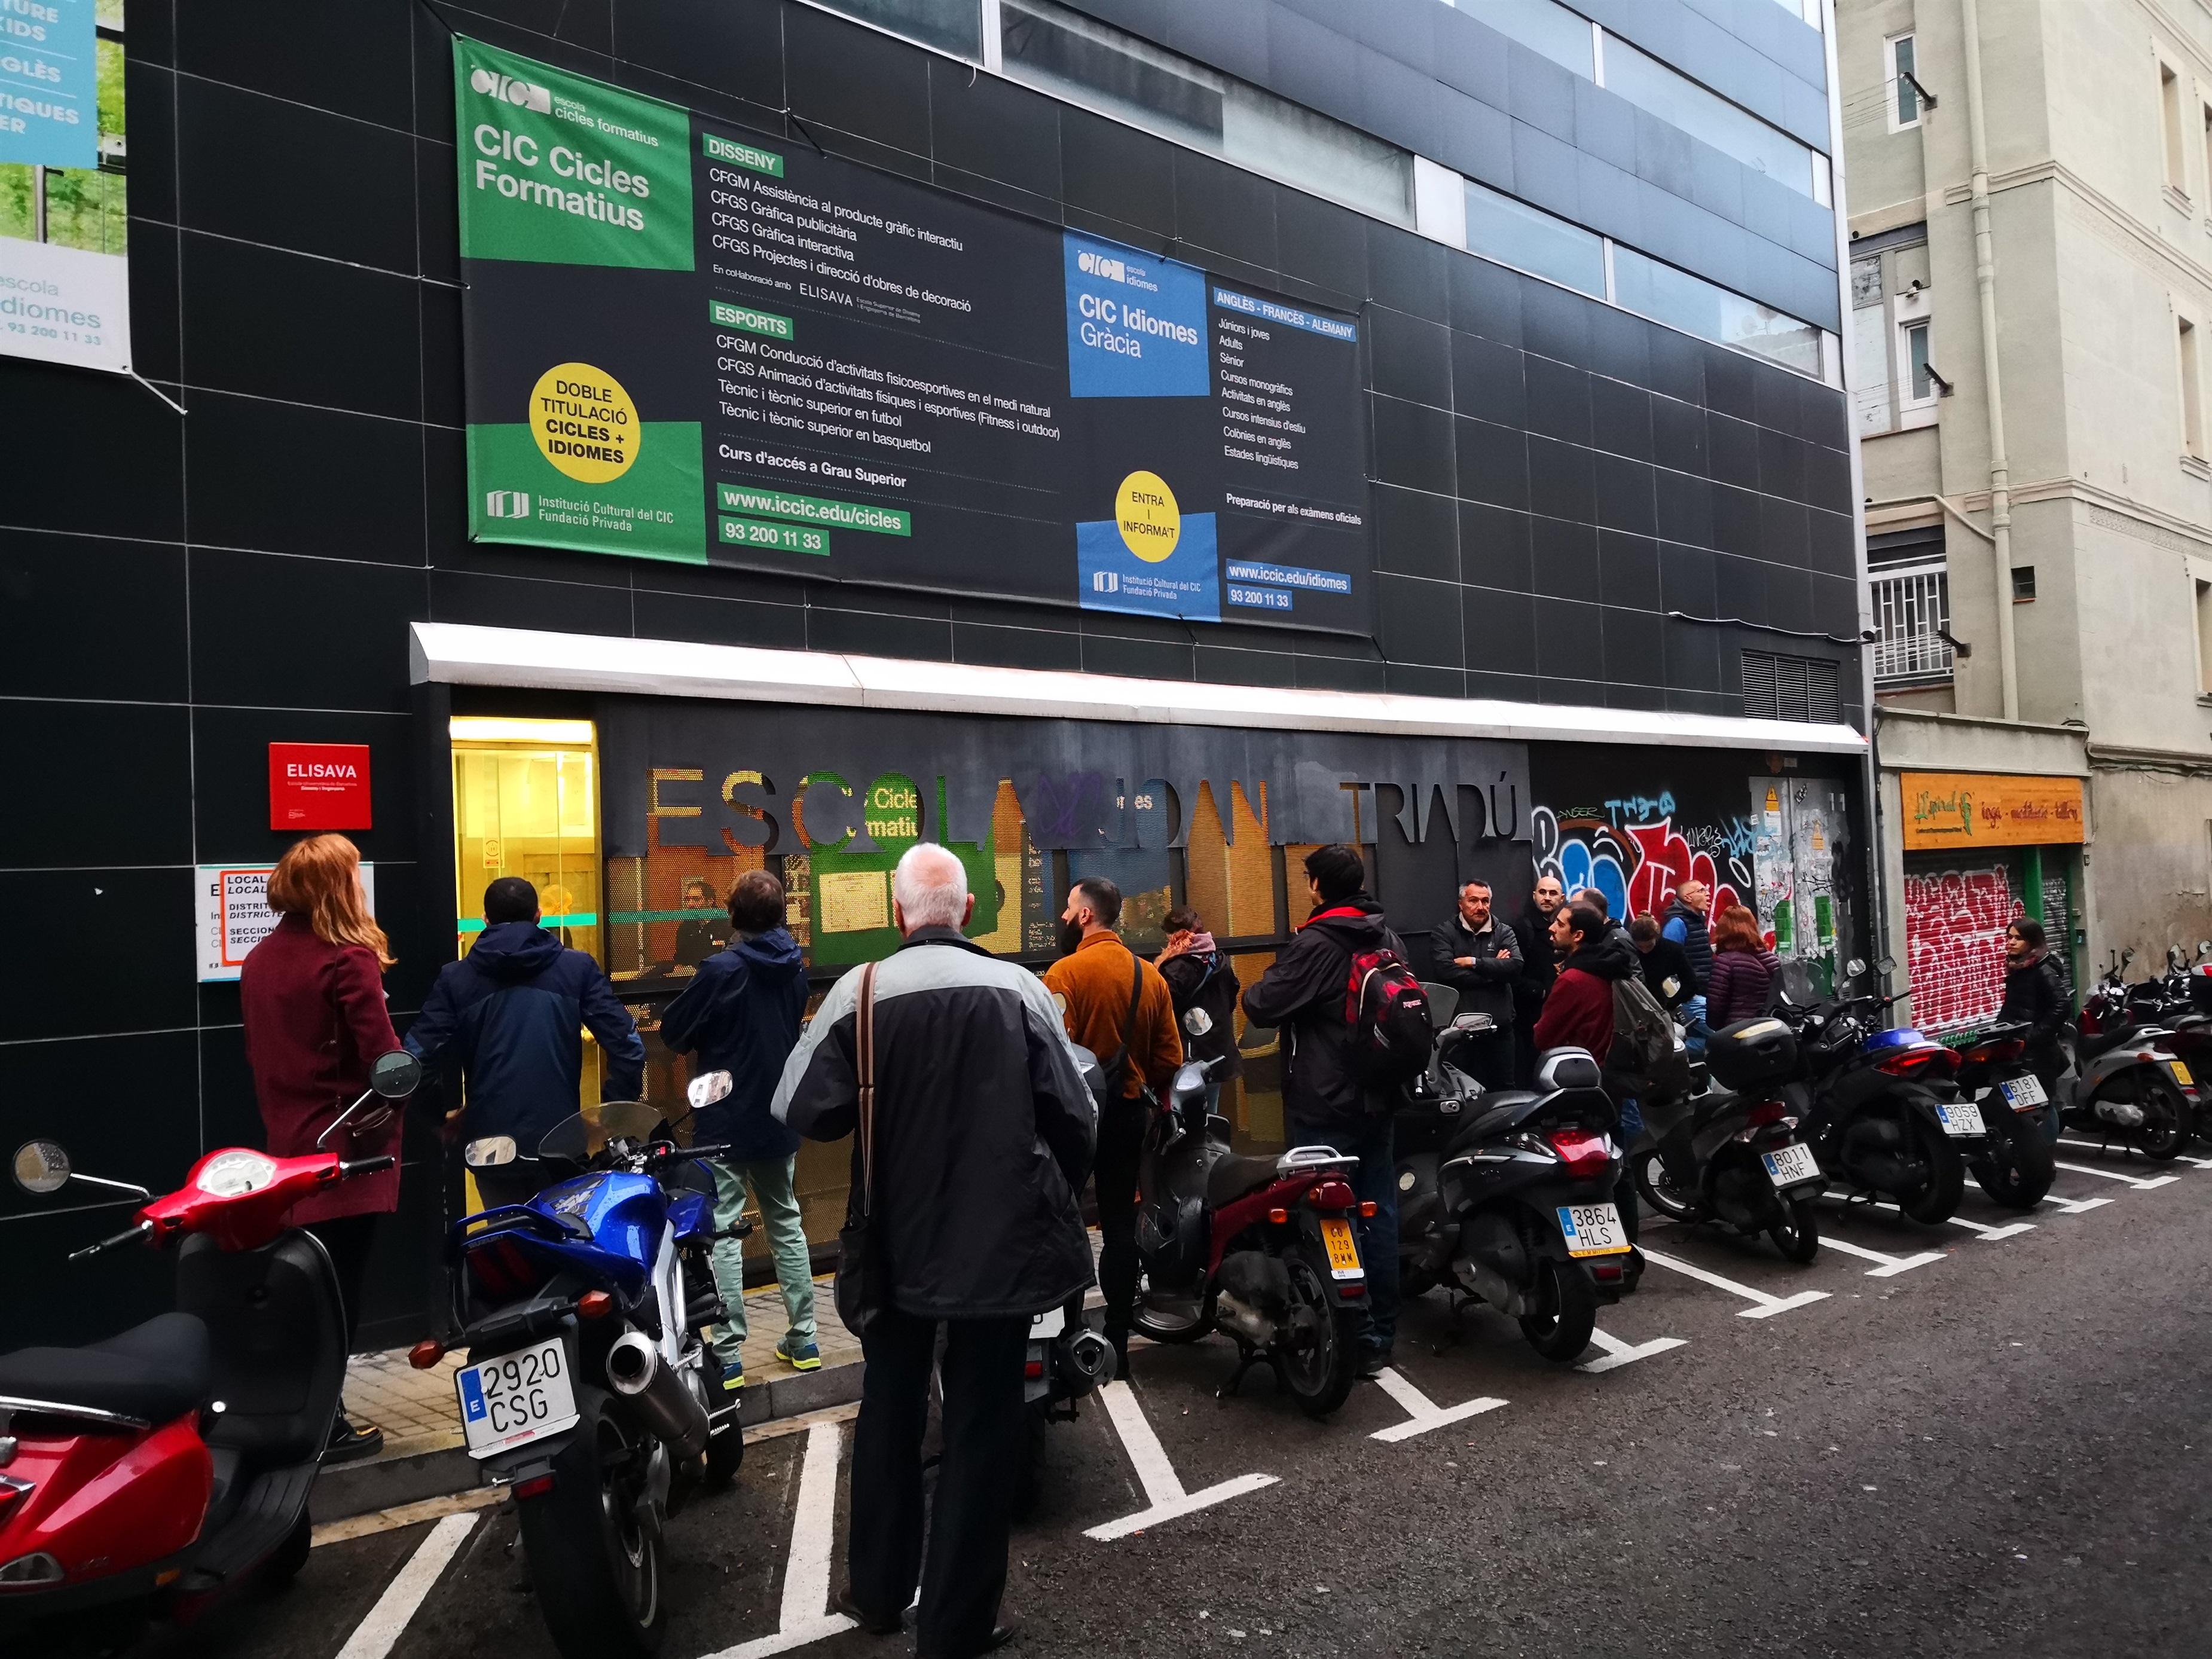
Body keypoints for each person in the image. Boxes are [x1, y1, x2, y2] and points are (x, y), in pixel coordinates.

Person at [774, 844, 1093, 1659]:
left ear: (897, 913)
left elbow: (799, 1107)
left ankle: (878, 1591)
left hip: (893, 1246)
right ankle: (955, 1625)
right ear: (968, 913)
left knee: (891, 1408)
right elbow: (1077, 1114)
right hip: (1001, 1250)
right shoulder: (1021, 988)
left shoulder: (861, 991)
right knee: (984, 1428)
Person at [239, 833, 404, 1463]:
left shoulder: (260, 958)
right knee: (338, 1296)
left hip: (284, 1149)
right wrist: (393, 1109)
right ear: (339, 887)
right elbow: (383, 1058)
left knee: (302, 1291)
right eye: (354, 875)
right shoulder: (346, 958)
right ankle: (326, 1421)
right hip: (344, 1151)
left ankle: (300, 1412)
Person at [1242, 845, 1408, 1373]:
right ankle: (1381, 1331)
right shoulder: (1387, 933)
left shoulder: (1317, 941)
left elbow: (1262, 1003)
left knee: (1327, 1218)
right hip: (1379, 1096)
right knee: (1377, 1211)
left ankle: (1350, 1332)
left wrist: (1286, 961)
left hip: (1324, 1101)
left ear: (1317, 886)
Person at [658, 869, 816, 1394]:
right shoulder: (795, 968)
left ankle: (728, 1355)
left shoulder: (721, 970)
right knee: (786, 1222)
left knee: (725, 1230)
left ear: (733, 914)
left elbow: (675, 1030)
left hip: (724, 1118)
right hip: (778, 1114)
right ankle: (807, 1337)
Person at [404, 875, 646, 1206]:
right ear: (538, 916)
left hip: (489, 1146)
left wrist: (439, 1120)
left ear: (485, 920)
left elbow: (415, 1057)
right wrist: (610, 1117)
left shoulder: (457, 978)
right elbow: (629, 1047)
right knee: (563, 1243)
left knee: (505, 1245)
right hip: (561, 1144)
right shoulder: (576, 969)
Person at [1042, 877, 1181, 1377]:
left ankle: (1071, 1336)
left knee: (1067, 1222)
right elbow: (1171, 1057)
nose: (1062, 917)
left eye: (1067, 907)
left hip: (1076, 1117)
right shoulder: (1151, 977)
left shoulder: (1065, 974)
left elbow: (1050, 1055)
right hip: (1129, 1117)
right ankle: (1118, 1340)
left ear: (1085, 916)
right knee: (1120, 1226)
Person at [1533, 901, 1646, 1282]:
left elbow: (1543, 1036)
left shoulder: (1573, 980)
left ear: (1578, 935)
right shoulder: (1609, 967)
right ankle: (1627, 1248)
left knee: (1583, 1168)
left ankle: (1596, 1252)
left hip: (1579, 1085)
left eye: (1561, 924)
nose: (1552, 928)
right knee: (1619, 1164)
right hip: (1611, 1079)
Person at [1429, 878, 1521, 1089]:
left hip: (1499, 1030)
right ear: (1461, 904)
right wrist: (1495, 971)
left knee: (1504, 1088)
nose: (1481, 907)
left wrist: (1473, 963)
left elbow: (1515, 966)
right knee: (1460, 1090)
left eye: (1485, 901)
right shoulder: (1444, 932)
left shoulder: (1504, 932)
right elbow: (1446, 972)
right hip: (1461, 1034)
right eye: (1473, 901)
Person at [1154, 905, 1241, 1124]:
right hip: (1217, 1050)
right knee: (1209, 1113)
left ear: (1175, 936)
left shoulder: (1175, 968)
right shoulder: (1220, 960)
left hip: (1188, 1055)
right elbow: (1231, 999)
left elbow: (1161, 1011)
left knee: (1184, 1118)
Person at [1998, 917, 2071, 1093]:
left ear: (2033, 942)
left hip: (2038, 1054)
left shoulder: (2043, 970)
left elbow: (2062, 1005)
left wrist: (2033, 1036)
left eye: (2019, 938)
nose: (2012, 942)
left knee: (2043, 1106)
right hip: (2017, 1049)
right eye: (2009, 937)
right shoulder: (2019, 968)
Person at [1513, 873, 1567, 1084]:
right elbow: (1513, 974)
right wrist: (1540, 991)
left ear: (1561, 899)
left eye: (1553, 893)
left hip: (1559, 1011)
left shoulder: (1567, 925)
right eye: (1542, 892)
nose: (1547, 897)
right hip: (1532, 1013)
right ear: (1534, 896)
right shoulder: (1522, 928)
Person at [1704, 904, 1783, 1028]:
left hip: (1738, 1030)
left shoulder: (1725, 961)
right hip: (1769, 1027)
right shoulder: (1772, 959)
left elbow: (1715, 1004)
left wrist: (1717, 1027)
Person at [1661, 881, 1715, 1056]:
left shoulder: (1696, 921)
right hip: (1690, 998)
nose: (1708, 894)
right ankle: (1668, 1048)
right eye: (1702, 890)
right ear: (1688, 898)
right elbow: (1668, 961)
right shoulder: (1678, 923)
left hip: (1701, 993)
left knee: (1710, 1044)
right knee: (1723, 1037)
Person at [1630, 913, 1697, 1015]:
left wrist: (1671, 1004)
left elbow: (1691, 983)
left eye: (1649, 946)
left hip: (1666, 1007)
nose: (1645, 951)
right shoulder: (1631, 952)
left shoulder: (1673, 951)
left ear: (1656, 938)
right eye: (1640, 947)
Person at [673, 878, 729, 968]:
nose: (690, 904)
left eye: (696, 899)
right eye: (688, 900)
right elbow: (681, 957)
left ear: (710, 901)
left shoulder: (725, 924)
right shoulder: (686, 926)